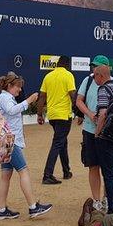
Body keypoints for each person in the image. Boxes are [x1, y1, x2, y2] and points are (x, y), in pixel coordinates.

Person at [79, 56, 113, 214]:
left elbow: (103, 113)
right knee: (108, 169)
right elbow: (79, 101)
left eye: (96, 70)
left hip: (104, 135)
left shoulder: (107, 87)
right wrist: (90, 115)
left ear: (102, 72)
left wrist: (97, 133)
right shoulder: (95, 82)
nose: (93, 72)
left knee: (109, 173)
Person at [0, 72, 52, 220]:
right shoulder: (5, 98)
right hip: (9, 141)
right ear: (9, 86)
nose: (19, 90)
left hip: (6, 140)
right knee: (23, 171)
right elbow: (12, 110)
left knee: (6, 176)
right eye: (18, 87)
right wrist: (29, 100)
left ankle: (1, 209)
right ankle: (33, 207)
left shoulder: (6, 97)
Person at [37, 55, 76, 185]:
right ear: (67, 65)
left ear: (57, 64)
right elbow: (72, 95)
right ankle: (47, 175)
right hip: (64, 115)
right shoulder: (68, 75)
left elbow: (42, 96)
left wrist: (39, 114)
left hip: (52, 116)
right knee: (58, 143)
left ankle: (66, 171)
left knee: (62, 142)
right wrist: (79, 112)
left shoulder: (48, 76)